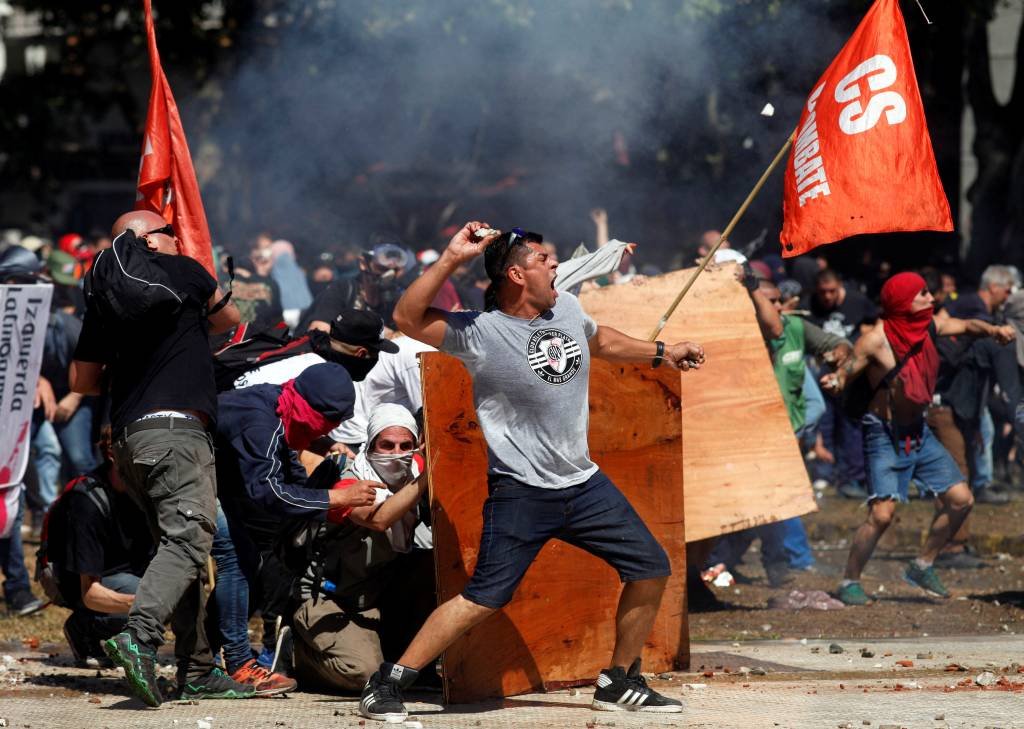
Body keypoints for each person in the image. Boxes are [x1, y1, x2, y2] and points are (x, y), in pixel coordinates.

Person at [358, 222, 705, 721]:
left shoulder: (564, 306)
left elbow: (599, 338)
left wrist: (662, 352)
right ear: (517, 275)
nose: (556, 264)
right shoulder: (479, 333)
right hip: (521, 491)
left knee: (650, 567)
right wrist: (454, 256)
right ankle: (388, 683)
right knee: (483, 598)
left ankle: (618, 680)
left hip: (584, 484)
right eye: (545, 259)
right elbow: (407, 316)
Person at [70, 210, 251, 706]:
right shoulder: (184, 274)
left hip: (129, 438)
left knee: (177, 551)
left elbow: (82, 382)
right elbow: (231, 320)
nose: (178, 238)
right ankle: (141, 636)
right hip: (176, 431)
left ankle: (196, 670)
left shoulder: (105, 299)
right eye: (170, 232)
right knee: (191, 540)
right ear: (149, 240)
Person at [823, 272, 1015, 606]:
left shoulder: (928, 326)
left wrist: (995, 330)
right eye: (922, 294)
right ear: (901, 301)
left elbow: (967, 325)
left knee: (962, 500)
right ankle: (849, 580)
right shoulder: (876, 340)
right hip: (883, 433)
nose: (930, 298)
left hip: (919, 433)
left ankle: (922, 564)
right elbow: (848, 369)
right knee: (882, 515)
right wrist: (836, 379)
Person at [210, 363, 379, 690]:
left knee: (250, 559)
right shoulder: (263, 420)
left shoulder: (281, 407)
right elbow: (268, 491)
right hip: (181, 467)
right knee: (237, 556)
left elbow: (289, 474)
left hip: (212, 479)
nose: (317, 436)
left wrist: (323, 492)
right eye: (321, 427)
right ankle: (238, 663)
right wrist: (333, 498)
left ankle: (211, 659)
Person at [292, 404, 432, 691]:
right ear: (371, 445)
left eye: (405, 445)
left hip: (376, 593)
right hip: (329, 598)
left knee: (432, 568)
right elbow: (379, 519)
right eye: (387, 445)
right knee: (364, 674)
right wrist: (426, 479)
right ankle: (298, 655)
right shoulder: (351, 482)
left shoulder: (414, 468)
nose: (396, 454)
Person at [55, 428, 156, 668]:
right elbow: (90, 593)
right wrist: (151, 603)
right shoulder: (88, 501)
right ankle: (83, 626)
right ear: (113, 453)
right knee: (149, 595)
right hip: (87, 585)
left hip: (130, 572)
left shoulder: (147, 491)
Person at [809, 268, 879, 499]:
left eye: (831, 291)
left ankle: (852, 478)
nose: (827, 297)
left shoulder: (858, 302)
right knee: (824, 426)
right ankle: (825, 474)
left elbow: (875, 323)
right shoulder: (813, 305)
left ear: (839, 286)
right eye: (823, 292)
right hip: (822, 376)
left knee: (852, 428)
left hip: (851, 376)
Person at [299, 243, 410, 331]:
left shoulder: (394, 300)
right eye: (382, 268)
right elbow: (318, 331)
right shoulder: (343, 289)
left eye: (395, 270)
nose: (389, 275)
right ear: (363, 264)